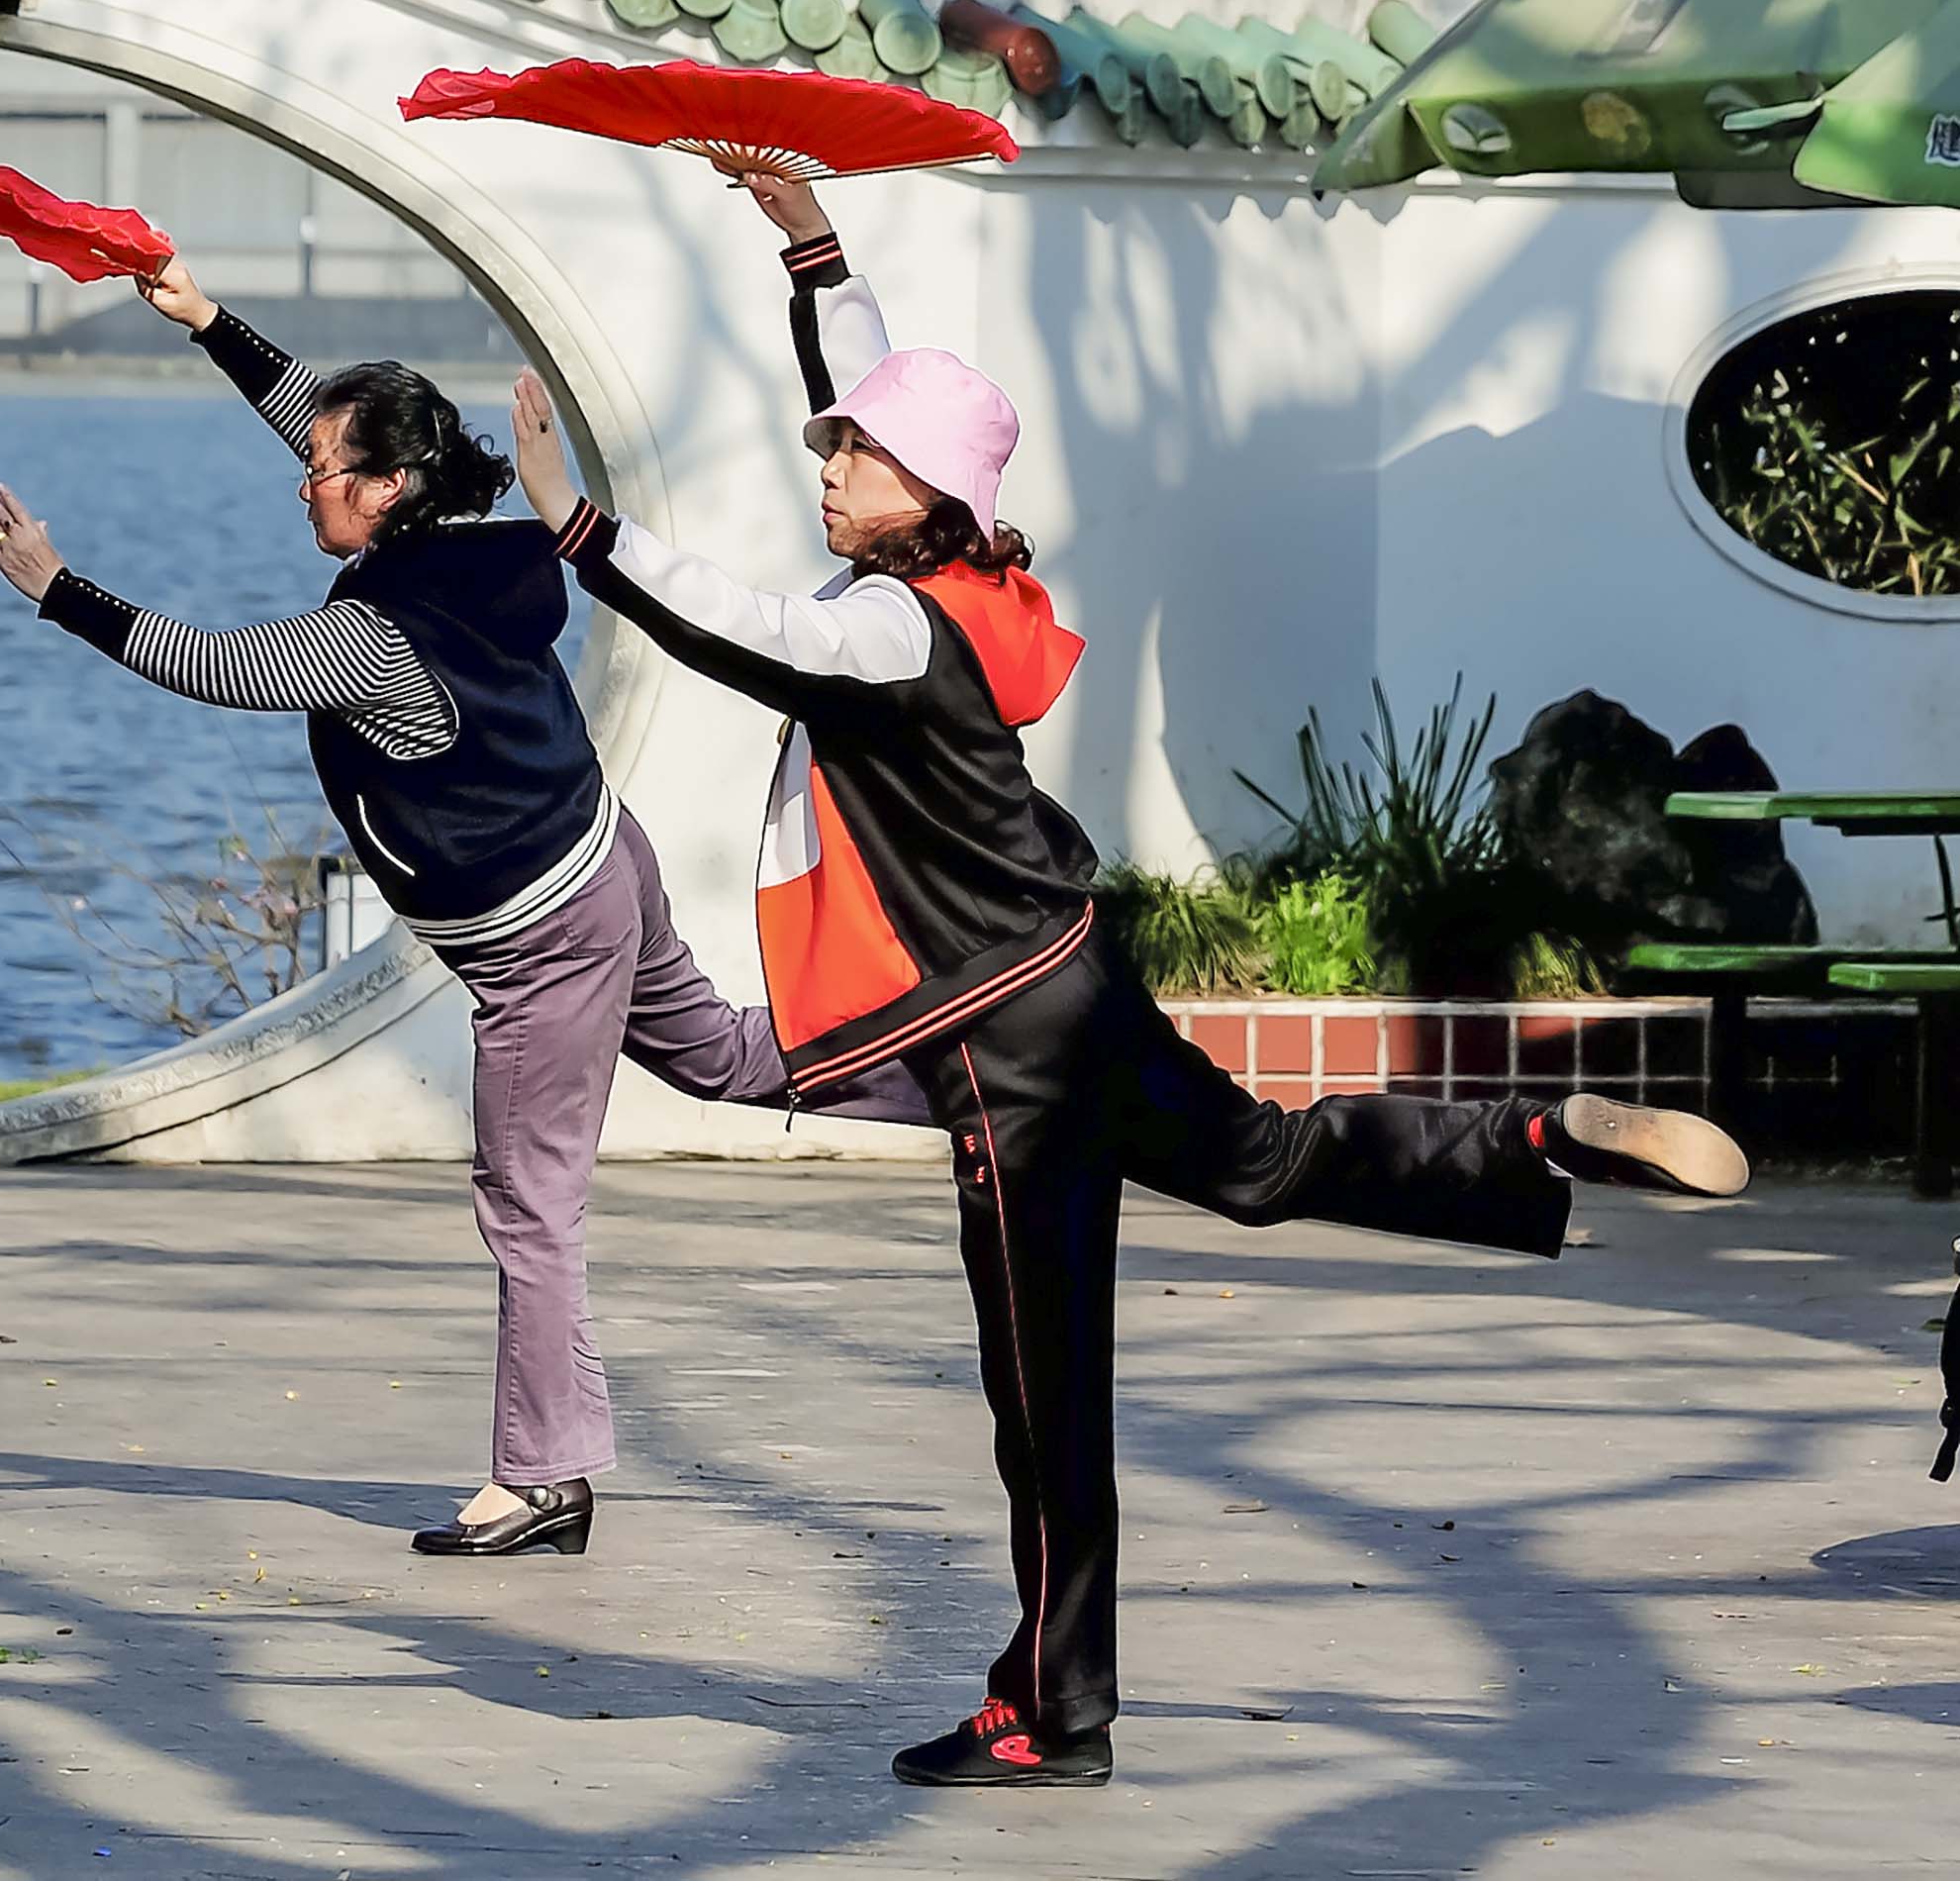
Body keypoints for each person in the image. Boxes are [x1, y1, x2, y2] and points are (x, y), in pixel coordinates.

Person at [504, 168, 1751, 1789]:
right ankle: (1532, 1140)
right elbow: (883, 395)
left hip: (1003, 1051)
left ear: (921, 497)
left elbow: (736, 626)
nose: (829, 464)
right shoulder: (973, 589)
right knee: (1269, 1162)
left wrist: (580, 527)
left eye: (854, 457)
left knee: (1046, 1398)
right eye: (833, 447)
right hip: (1081, 980)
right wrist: (811, 246)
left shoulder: (887, 631)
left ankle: (1051, 1709)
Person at [0, 248, 882, 1560]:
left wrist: (60, 591)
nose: (304, 481)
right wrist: (205, 319)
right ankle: (956, 1068)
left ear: (387, 488)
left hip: (542, 943)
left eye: (324, 473)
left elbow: (214, 663)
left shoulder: (380, 637)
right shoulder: (471, 547)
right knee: (727, 1058)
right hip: (601, 861)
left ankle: (543, 1478)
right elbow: (323, 416)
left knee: (527, 1202)